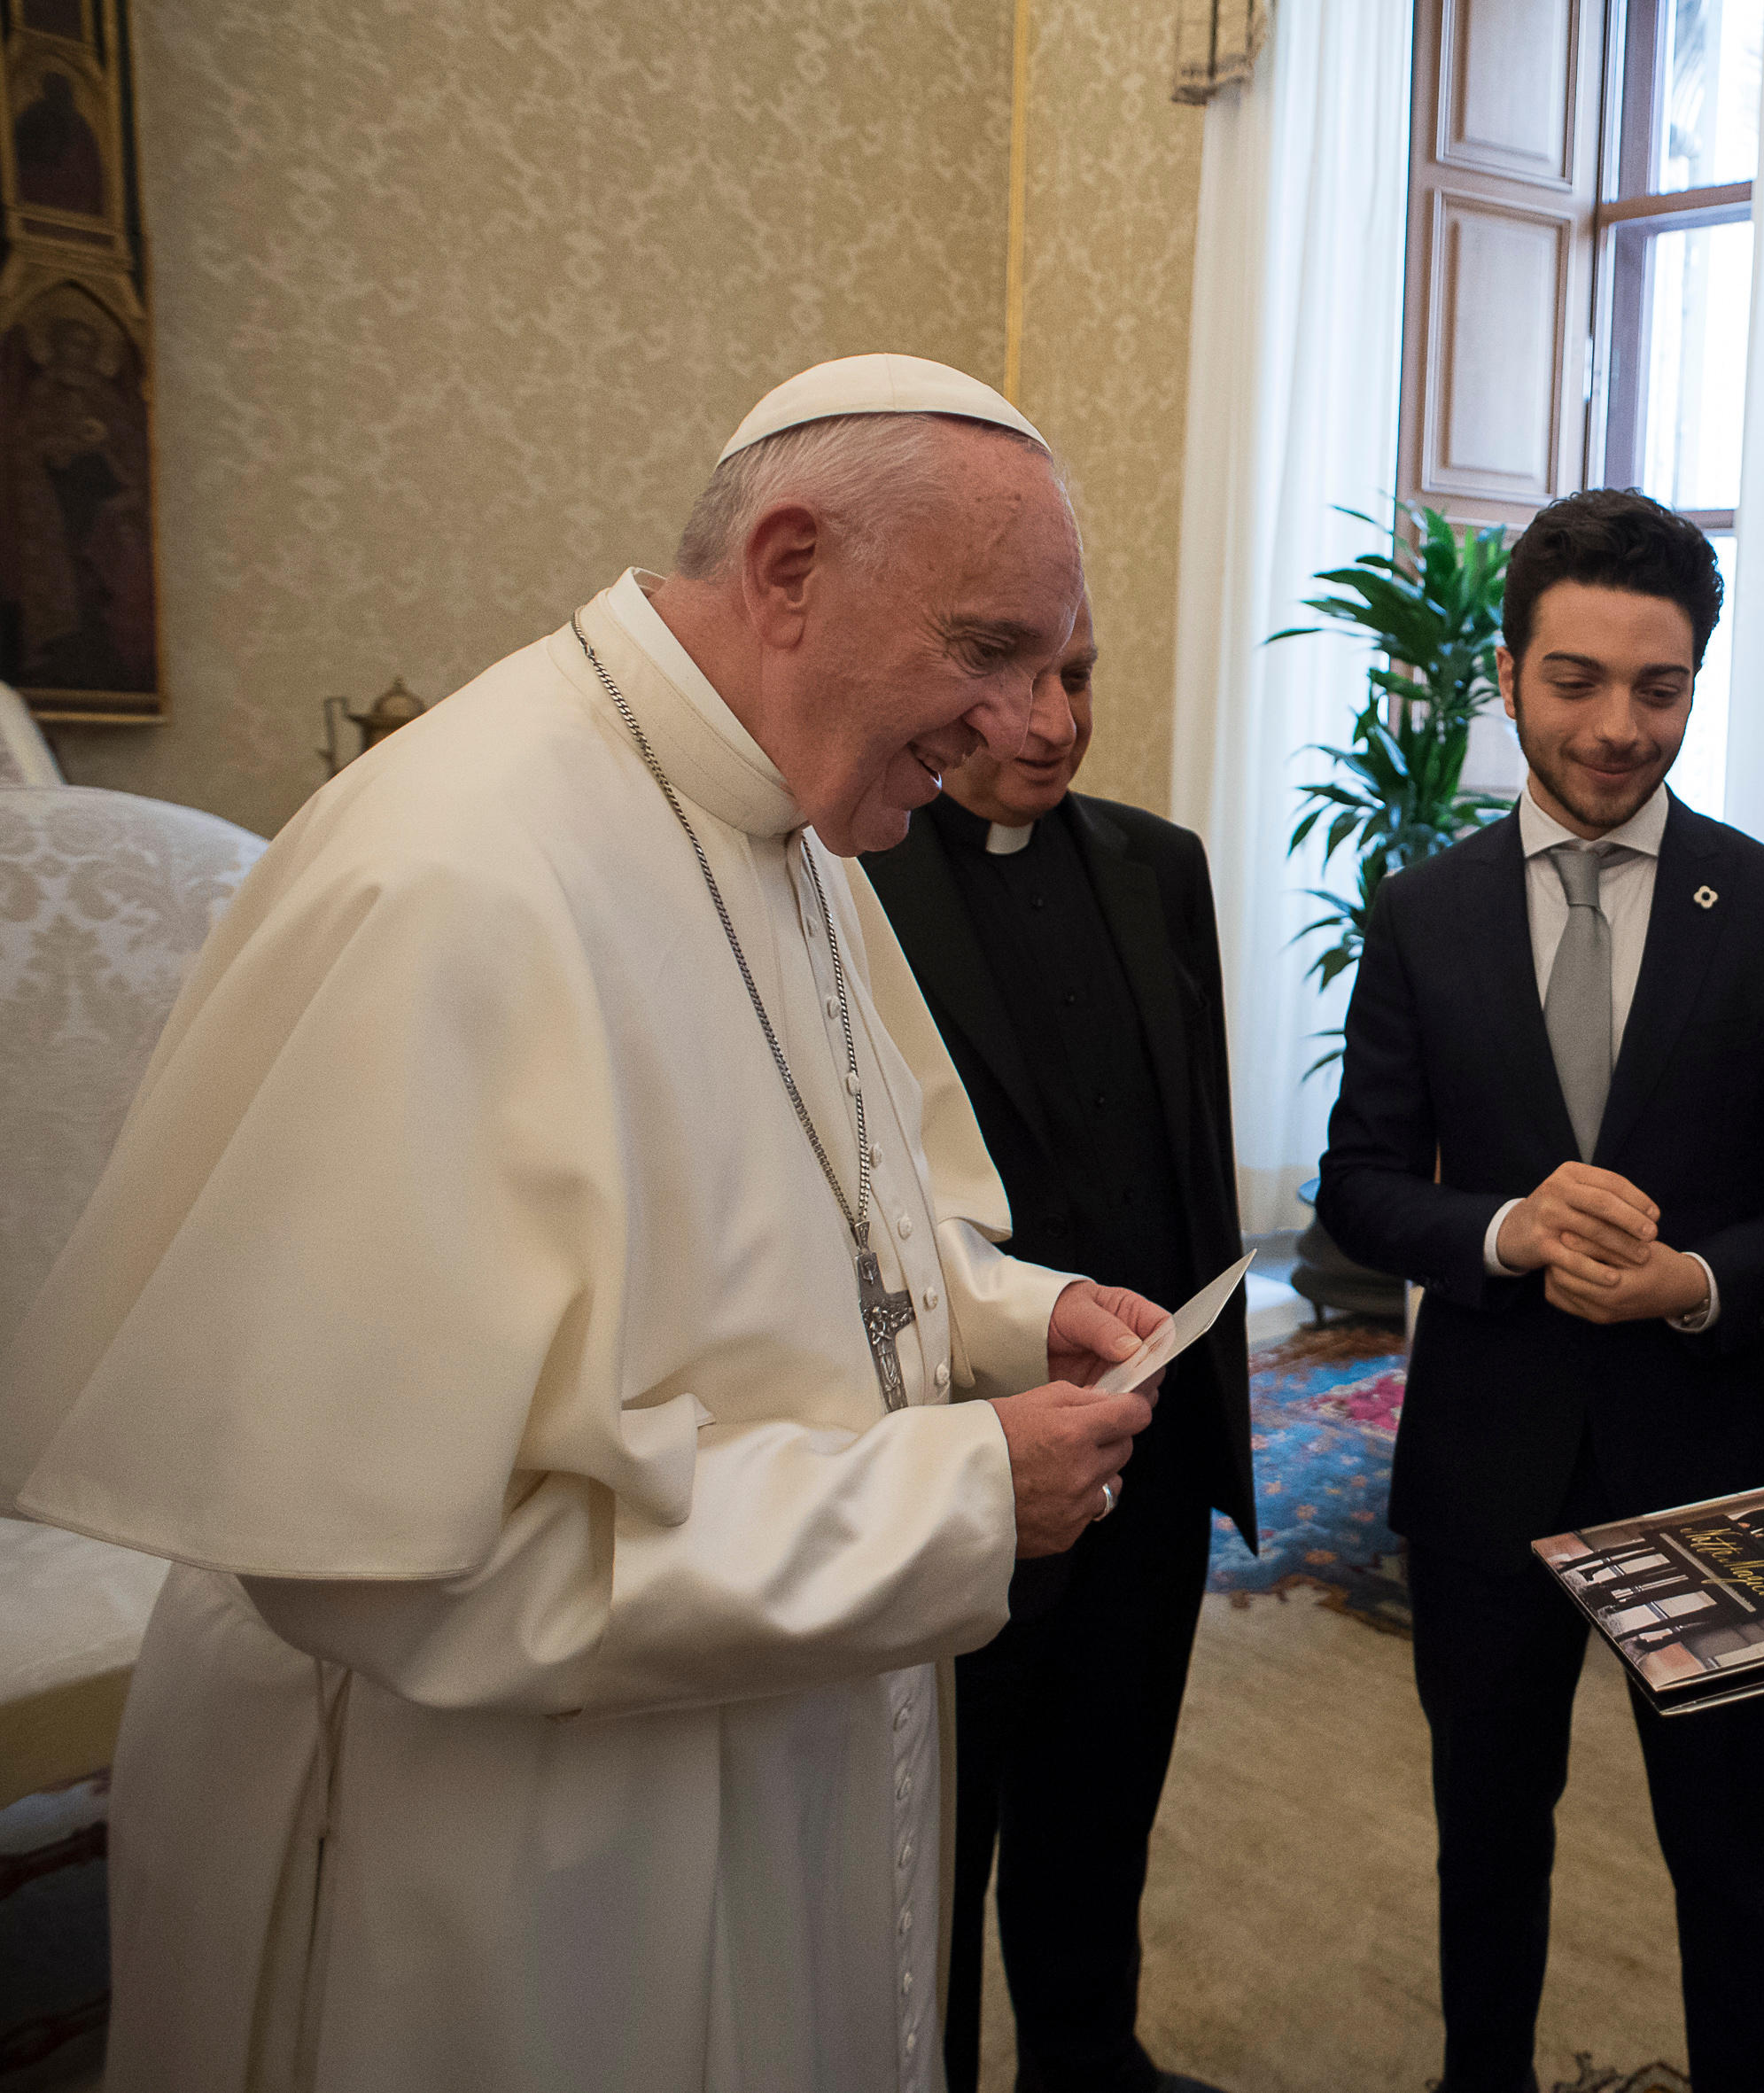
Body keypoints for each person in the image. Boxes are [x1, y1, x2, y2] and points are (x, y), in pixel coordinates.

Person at [0, 354, 1175, 2093]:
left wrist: (1009, 1311)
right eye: (988, 649)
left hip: (777, 1726)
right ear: (789, 569)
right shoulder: (451, 874)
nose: (1025, 724)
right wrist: (960, 1493)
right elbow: (410, 1571)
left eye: (1049, 661)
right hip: (521, 1840)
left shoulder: (793, 822)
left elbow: (835, 1197)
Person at [1317, 488, 1764, 2093]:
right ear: (1506, 673)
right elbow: (1358, 1181)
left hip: (1718, 1454)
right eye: (1575, 680)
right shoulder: (1422, 910)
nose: (1619, 726)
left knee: (1733, 1851)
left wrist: (1697, 1278)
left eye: (1661, 685)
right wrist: (1507, 1232)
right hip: (1483, 1458)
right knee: (1489, 1839)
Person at [862, 578, 1251, 2093]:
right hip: (964, 1444)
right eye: (1016, 685)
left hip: (1149, 1436)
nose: (1053, 723)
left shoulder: (1162, 865)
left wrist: (1206, 1423)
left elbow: (1194, 1146)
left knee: (1105, 1789)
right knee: (938, 1831)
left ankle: (1089, 2059)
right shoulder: (852, 880)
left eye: (1078, 679)